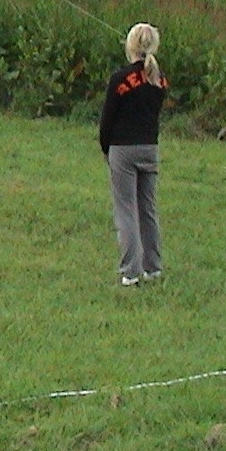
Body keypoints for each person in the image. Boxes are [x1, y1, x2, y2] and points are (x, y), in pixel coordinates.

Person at [98, 22, 169, 287]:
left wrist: (106, 147)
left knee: (126, 210)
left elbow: (108, 118)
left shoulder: (120, 79)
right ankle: (154, 267)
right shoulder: (159, 79)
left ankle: (130, 271)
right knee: (147, 209)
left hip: (123, 149)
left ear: (131, 45)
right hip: (150, 147)